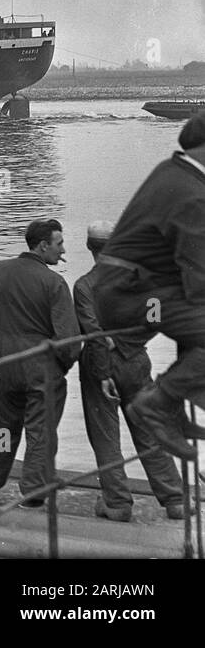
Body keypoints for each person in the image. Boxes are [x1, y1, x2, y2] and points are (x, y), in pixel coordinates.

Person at [92, 113, 205, 461]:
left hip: (128, 287)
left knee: (196, 324)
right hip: (133, 293)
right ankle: (157, 404)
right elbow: (197, 264)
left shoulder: (172, 172)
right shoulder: (192, 193)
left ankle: (172, 409)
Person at [77, 221, 189, 520]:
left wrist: (103, 371)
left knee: (106, 436)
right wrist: (131, 343)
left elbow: (92, 332)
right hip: (137, 362)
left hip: (99, 365)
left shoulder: (84, 286)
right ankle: (175, 499)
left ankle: (117, 503)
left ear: (90, 247)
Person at [0, 219, 80, 506]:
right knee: (40, 430)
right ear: (43, 246)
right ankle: (33, 490)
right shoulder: (54, 283)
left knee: (3, 426)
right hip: (42, 369)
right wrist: (60, 366)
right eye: (59, 244)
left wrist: (3, 346)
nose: (63, 250)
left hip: (6, 366)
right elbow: (68, 340)